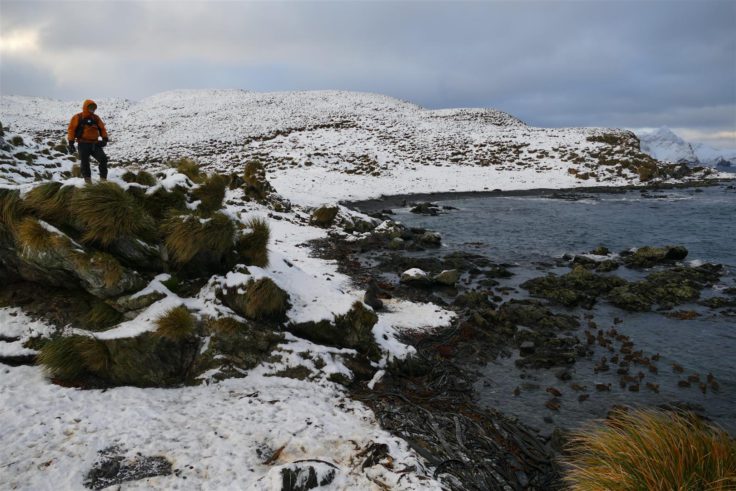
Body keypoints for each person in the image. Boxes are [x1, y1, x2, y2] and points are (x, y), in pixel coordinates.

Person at [67, 99, 109, 183]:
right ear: (86, 107)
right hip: (83, 143)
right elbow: (71, 129)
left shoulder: (96, 118)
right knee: (85, 162)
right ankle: (88, 181)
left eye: (93, 108)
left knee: (103, 159)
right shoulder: (77, 117)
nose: (92, 109)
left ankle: (103, 180)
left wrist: (104, 139)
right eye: (90, 107)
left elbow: (102, 129)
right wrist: (71, 143)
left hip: (95, 144)